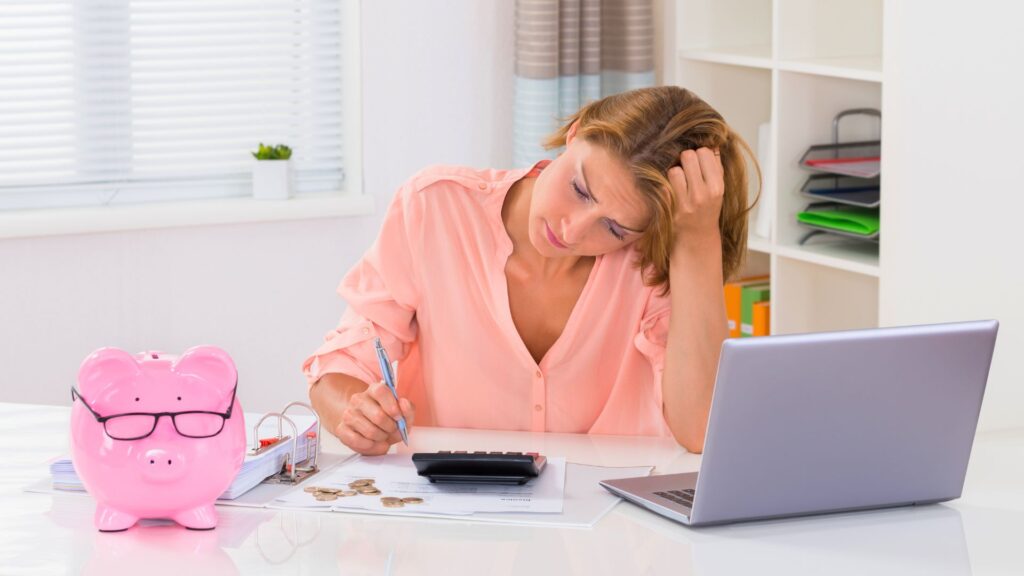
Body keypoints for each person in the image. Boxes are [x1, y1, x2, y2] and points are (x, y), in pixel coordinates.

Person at [303, 86, 759, 456]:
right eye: (580, 189)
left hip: (611, 538)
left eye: (614, 227)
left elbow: (701, 430)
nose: (572, 229)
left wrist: (698, 242)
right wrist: (356, 412)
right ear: (575, 132)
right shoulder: (434, 208)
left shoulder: (655, 261)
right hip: (454, 530)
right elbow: (340, 368)